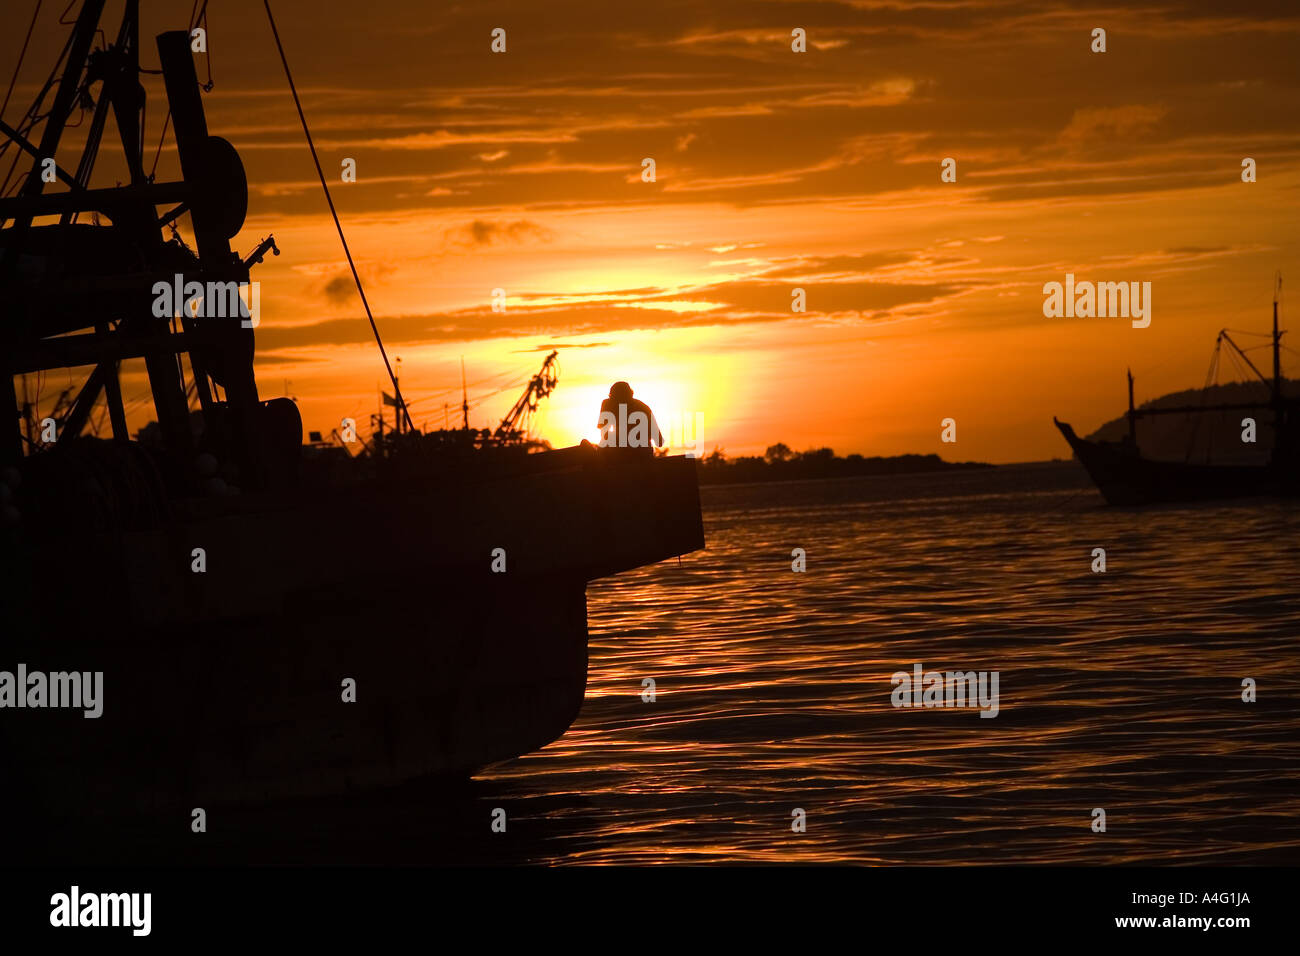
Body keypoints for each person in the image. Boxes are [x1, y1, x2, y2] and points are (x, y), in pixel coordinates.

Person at [597, 381, 663, 454]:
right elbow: (659, 441)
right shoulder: (643, 407)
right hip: (643, 455)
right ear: (631, 394)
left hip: (623, 456)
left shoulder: (608, 404)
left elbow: (604, 435)